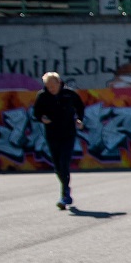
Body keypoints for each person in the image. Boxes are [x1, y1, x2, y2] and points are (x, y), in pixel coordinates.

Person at [31, 72, 86, 209]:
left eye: (53, 86)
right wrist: (42, 118)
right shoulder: (42, 96)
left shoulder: (69, 94)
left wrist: (80, 119)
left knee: (64, 162)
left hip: (68, 133)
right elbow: (36, 112)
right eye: (48, 86)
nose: (51, 89)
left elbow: (80, 107)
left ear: (59, 82)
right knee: (57, 166)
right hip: (52, 134)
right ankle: (66, 189)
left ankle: (65, 194)